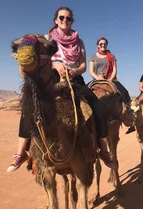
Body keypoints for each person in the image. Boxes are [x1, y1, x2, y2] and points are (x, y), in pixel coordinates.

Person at [7, 6, 114, 172]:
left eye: (68, 18)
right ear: (56, 20)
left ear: (72, 21)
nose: (65, 21)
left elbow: (84, 65)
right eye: (62, 18)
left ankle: (104, 149)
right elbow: (40, 60)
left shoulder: (79, 41)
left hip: (75, 79)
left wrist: (74, 71)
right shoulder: (47, 39)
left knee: (98, 107)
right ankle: (21, 153)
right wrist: (56, 65)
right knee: (30, 107)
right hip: (52, 78)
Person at [89, 37, 131, 105]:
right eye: (101, 44)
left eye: (105, 44)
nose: (103, 45)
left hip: (110, 79)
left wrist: (109, 80)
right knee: (83, 93)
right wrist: (98, 78)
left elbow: (114, 70)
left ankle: (128, 111)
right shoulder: (93, 56)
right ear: (98, 45)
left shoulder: (112, 56)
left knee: (125, 92)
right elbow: (91, 71)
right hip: (97, 79)